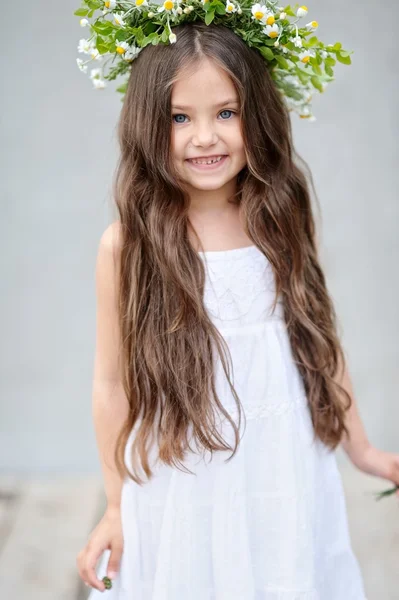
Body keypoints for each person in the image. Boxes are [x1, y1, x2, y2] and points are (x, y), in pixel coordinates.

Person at [76, 19, 399, 600]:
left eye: (226, 112)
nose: (206, 136)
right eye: (181, 117)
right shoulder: (129, 244)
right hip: (184, 474)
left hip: (282, 464)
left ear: (260, 115)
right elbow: (110, 385)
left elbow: (317, 341)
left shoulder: (279, 218)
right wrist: (117, 505)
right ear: (148, 123)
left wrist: (363, 447)